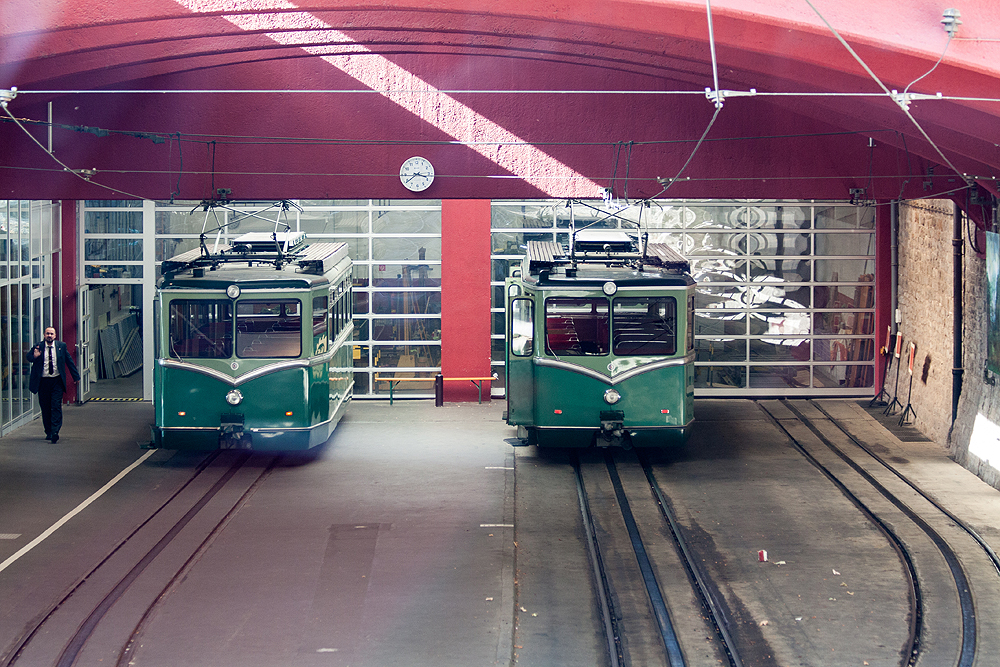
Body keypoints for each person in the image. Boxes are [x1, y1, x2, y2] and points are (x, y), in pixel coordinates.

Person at [26, 326, 81, 443]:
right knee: (45, 407)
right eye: (47, 333)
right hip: (43, 382)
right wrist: (35, 356)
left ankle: (55, 431)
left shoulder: (61, 346)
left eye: (51, 334)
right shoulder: (38, 346)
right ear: (44, 335)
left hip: (56, 381)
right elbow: (28, 357)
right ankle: (49, 431)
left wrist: (76, 377)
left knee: (56, 406)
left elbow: (69, 361)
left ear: (55, 336)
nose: (49, 336)